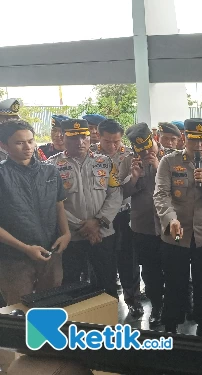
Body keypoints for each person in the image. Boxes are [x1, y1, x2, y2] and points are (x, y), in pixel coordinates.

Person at [154, 118, 202, 336]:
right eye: (193, 140)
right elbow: (161, 194)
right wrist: (170, 219)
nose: (198, 146)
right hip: (177, 234)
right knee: (174, 280)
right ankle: (172, 324)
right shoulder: (168, 162)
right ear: (184, 138)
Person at [47, 119, 122, 299]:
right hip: (71, 237)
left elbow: (115, 193)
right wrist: (83, 226)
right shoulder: (51, 166)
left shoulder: (105, 162)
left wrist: (98, 222)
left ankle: (109, 323)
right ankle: (73, 324)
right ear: (63, 137)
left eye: (84, 137)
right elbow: (51, 202)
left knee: (107, 282)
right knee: (70, 284)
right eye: (73, 138)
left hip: (103, 233)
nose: (80, 142)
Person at [0, 119, 71, 304]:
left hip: (50, 251)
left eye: (31, 141)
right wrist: (25, 248)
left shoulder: (50, 171)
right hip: (14, 258)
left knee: (49, 304)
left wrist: (66, 233)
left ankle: (45, 335)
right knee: (19, 309)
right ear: (4, 145)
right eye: (19, 142)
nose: (27, 147)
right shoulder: (2, 175)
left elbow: (59, 205)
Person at [120, 122, 168, 328]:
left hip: (170, 225)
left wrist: (158, 168)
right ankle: (157, 307)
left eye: (149, 147)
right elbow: (122, 192)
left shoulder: (171, 157)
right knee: (150, 271)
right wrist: (135, 177)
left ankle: (178, 305)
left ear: (154, 139)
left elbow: (178, 189)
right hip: (143, 226)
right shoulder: (128, 161)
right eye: (141, 150)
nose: (146, 152)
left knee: (175, 268)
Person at [95, 119, 142, 318]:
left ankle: (133, 300)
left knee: (128, 259)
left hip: (125, 214)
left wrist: (135, 178)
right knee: (104, 260)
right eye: (108, 141)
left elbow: (131, 189)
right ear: (98, 136)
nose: (113, 146)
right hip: (101, 216)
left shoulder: (130, 156)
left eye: (117, 141)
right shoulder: (91, 156)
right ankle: (106, 302)